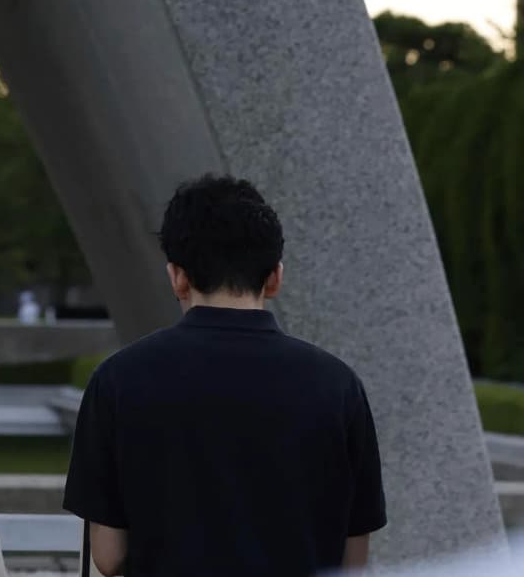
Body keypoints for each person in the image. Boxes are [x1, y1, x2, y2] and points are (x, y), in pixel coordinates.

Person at [64, 175, 386, 576]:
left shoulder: (117, 380)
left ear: (177, 277)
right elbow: (354, 559)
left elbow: (109, 556)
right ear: (274, 277)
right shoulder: (338, 386)